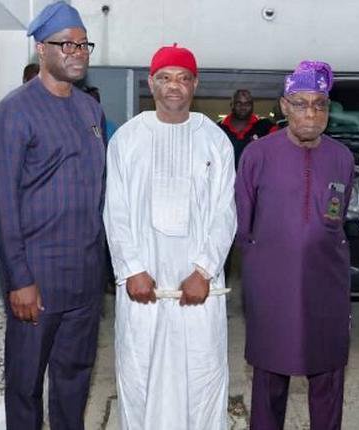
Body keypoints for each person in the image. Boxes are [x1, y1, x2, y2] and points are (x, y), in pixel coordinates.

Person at [104, 43, 236, 429]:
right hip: (144, 285)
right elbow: (116, 211)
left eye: (182, 78)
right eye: (165, 78)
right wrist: (132, 270)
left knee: (202, 375)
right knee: (140, 373)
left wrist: (205, 270)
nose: (173, 86)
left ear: (195, 84)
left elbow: (225, 212)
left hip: (198, 287)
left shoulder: (215, 140)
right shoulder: (127, 139)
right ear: (151, 83)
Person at [0, 2, 107, 428]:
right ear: (42, 49)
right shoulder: (13, 112)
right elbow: (3, 204)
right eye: (66, 44)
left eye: (83, 44)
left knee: (74, 379)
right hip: (36, 278)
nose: (77, 51)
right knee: (25, 384)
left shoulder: (91, 110)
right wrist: (19, 279)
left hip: (85, 278)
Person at [236, 61, 355, 430]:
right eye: (301, 103)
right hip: (272, 286)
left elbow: (337, 217)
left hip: (327, 285)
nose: (311, 113)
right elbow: (242, 222)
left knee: (328, 377)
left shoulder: (342, 157)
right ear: (285, 106)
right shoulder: (257, 155)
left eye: (320, 104)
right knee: (270, 377)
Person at [218, 89, 276, 166]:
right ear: (231, 105)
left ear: (252, 106)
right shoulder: (218, 129)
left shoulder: (266, 127)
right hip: (226, 177)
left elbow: (277, 155)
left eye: (247, 104)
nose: (243, 107)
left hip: (256, 177)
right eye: (239, 103)